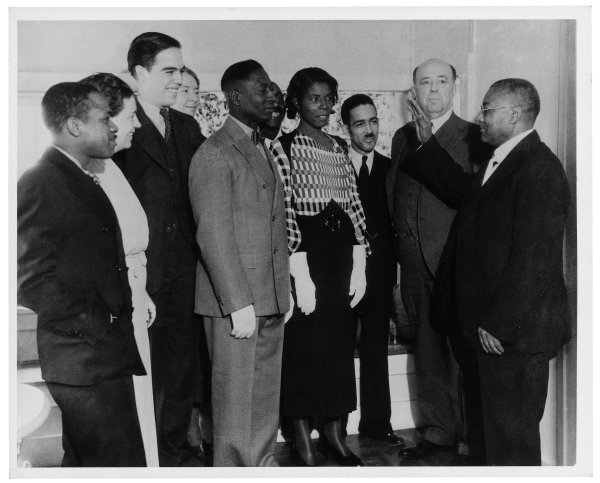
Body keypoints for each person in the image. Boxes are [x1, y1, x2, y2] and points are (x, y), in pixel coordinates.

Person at [406, 78, 571, 466]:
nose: (480, 118)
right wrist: (427, 142)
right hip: (491, 331)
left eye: (487, 109)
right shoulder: (503, 161)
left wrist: (498, 324)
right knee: (492, 437)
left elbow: (536, 260)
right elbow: (464, 193)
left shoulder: (539, 168)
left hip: (512, 335)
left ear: (514, 114)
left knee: (512, 444)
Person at [17, 82, 147, 466]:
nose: (113, 127)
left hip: (101, 355)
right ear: (74, 126)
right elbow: (29, 281)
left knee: (89, 463)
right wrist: (94, 324)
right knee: (114, 464)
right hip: (84, 359)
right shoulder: (40, 182)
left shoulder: (79, 175)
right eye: (105, 118)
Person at [189, 59, 291, 467]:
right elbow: (212, 235)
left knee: (264, 396)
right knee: (235, 402)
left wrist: (284, 290)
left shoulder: (260, 146)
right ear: (234, 97)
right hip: (237, 302)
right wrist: (237, 303)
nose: (273, 96)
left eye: (272, 88)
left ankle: (262, 466)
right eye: (262, 89)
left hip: (269, 296)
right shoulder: (213, 152)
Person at [387, 58, 490, 464]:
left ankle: (467, 439)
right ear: (413, 90)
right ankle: (437, 432)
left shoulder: (474, 137)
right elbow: (396, 193)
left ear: (455, 86)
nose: (432, 91)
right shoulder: (400, 136)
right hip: (412, 267)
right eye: (424, 83)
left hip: (453, 267)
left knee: (460, 357)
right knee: (426, 353)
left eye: (441, 82)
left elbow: (470, 199)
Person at [112, 32, 205, 467]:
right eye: (168, 70)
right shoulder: (120, 129)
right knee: (146, 372)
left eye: (181, 70)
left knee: (182, 368)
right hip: (142, 277)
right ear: (138, 74)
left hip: (185, 271)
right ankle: (148, 460)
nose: (177, 79)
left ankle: (177, 454)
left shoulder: (186, 127)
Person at [271, 67, 368, 467]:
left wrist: (361, 258)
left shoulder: (340, 148)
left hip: (341, 257)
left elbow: (354, 205)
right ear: (296, 102)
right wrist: (298, 269)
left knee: (339, 348)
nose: (325, 106)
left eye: (329, 98)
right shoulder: (283, 146)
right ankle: (300, 437)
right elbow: (285, 209)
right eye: (315, 98)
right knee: (302, 350)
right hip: (306, 258)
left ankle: (333, 431)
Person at [79, 72, 160, 467]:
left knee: (139, 412)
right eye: (130, 116)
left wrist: (141, 293)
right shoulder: (84, 174)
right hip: (110, 322)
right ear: (105, 120)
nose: (138, 124)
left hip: (131, 310)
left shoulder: (111, 168)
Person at [340, 94, 402, 447]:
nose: (369, 129)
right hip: (343, 276)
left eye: (373, 121)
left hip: (378, 275)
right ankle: (337, 426)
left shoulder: (391, 168)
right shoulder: (335, 165)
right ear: (345, 127)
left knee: (375, 350)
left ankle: (377, 424)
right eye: (360, 123)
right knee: (341, 349)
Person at [169, 64, 212, 463]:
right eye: (181, 88)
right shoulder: (163, 136)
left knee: (199, 359)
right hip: (173, 271)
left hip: (201, 266)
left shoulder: (195, 136)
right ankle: (186, 439)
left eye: (194, 91)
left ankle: (197, 436)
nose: (189, 96)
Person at [262, 82, 285, 149]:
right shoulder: (244, 145)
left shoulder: (296, 144)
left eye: (279, 98)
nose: (275, 104)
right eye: (267, 99)